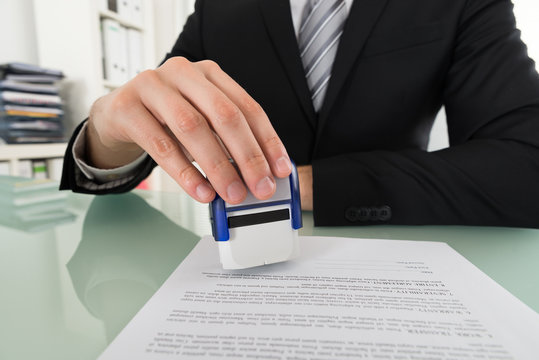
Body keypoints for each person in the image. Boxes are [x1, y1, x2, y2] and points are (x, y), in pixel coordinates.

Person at [61, 0, 539, 227]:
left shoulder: (467, 5)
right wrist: (106, 128)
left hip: (396, 246)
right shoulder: (218, 9)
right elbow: (145, 135)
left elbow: (527, 168)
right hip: (237, 263)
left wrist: (293, 185)